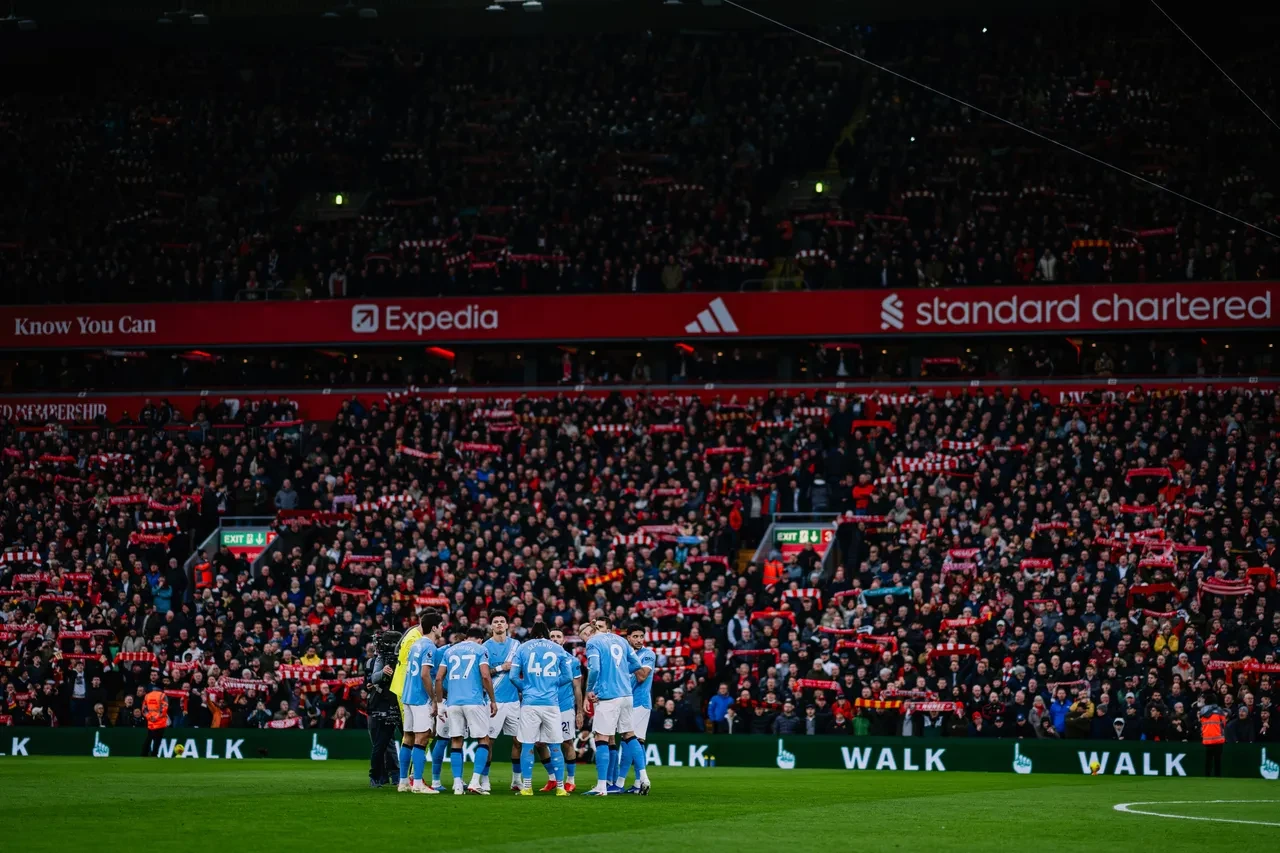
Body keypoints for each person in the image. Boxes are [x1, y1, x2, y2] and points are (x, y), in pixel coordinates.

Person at [581, 618, 650, 796]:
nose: (585, 638)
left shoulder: (593, 642)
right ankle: (644, 777)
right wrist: (620, 673)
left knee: (602, 738)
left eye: (585, 634)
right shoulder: (620, 640)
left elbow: (594, 669)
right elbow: (636, 664)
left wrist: (589, 690)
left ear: (591, 631)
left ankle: (601, 786)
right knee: (629, 735)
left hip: (609, 696)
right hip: (627, 695)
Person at [509, 622, 572, 797]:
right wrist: (553, 685)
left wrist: (526, 688)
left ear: (532, 633)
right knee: (555, 745)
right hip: (551, 703)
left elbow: (513, 676)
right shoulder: (558, 648)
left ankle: (527, 787)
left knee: (527, 744)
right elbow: (568, 676)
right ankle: (560, 788)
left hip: (530, 703)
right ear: (547, 633)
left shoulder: (522, 648)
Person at [434, 625, 497, 795]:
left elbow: (438, 678)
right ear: (479, 639)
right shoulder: (481, 650)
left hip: (453, 702)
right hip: (474, 701)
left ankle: (457, 785)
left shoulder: (450, 651)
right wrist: (492, 700)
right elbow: (485, 675)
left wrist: (440, 704)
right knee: (483, 739)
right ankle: (475, 782)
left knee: (456, 740)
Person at [397, 610, 443, 794]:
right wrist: (433, 699)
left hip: (407, 696)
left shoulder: (415, 644)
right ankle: (417, 783)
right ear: (434, 627)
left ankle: (403, 782)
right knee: (422, 738)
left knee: (408, 738)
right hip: (419, 698)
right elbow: (424, 674)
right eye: (441, 625)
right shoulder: (429, 647)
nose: (442, 628)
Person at [482, 611, 523, 793]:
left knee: (518, 741)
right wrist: (500, 667)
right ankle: (484, 780)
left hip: (513, 701)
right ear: (491, 626)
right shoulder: (485, 647)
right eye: (496, 621)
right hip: (494, 701)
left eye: (502, 621)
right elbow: (482, 674)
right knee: (488, 742)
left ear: (507, 625)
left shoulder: (516, 645)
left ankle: (516, 780)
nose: (499, 624)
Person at [618, 624, 657, 794]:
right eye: (635, 636)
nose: (639, 640)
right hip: (626, 702)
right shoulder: (623, 655)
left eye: (641, 636)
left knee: (629, 740)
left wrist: (631, 656)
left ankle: (621, 782)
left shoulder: (648, 654)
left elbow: (642, 677)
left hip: (640, 702)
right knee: (637, 742)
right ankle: (637, 783)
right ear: (628, 638)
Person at [365, 630, 403, 788]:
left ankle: (404, 776)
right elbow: (373, 678)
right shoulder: (380, 658)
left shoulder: (404, 655)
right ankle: (375, 776)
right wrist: (383, 672)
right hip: (385, 703)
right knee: (381, 744)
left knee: (408, 741)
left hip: (400, 702)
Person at [550, 628, 585, 792]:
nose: (555, 639)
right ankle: (552, 778)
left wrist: (579, 711)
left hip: (565, 707)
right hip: (546, 706)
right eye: (552, 636)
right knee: (540, 743)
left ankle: (570, 780)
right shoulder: (542, 660)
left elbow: (577, 687)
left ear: (563, 640)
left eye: (558, 636)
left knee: (567, 742)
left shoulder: (572, 661)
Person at [1200, 702, 1227, 777]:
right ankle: (1217, 776)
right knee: (1217, 760)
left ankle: (1207, 776)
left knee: (1208, 760)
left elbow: (1201, 723)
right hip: (1218, 740)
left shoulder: (1203, 711)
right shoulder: (1219, 710)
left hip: (1207, 740)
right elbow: (1224, 723)